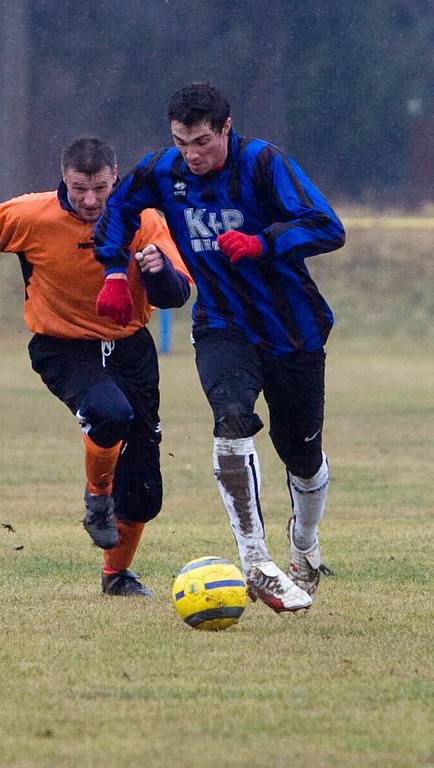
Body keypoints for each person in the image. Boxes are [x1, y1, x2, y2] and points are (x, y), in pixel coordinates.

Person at [94, 83, 346, 613]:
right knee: (231, 417)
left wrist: (264, 243)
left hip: (292, 329)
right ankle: (256, 562)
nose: (192, 154)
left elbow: (327, 227)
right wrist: (115, 270)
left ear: (226, 129)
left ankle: (304, 545)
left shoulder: (264, 163)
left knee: (301, 454)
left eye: (203, 141)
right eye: (182, 141)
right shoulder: (164, 170)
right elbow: (116, 210)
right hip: (222, 325)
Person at [0, 137, 191, 597]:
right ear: (64, 179)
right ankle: (97, 497)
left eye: (99, 187)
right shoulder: (29, 215)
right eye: (80, 188)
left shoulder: (145, 219)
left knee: (144, 485)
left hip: (130, 347)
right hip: (61, 347)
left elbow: (176, 295)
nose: (91, 199)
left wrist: (158, 270)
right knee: (109, 413)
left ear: (115, 178)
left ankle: (116, 575)